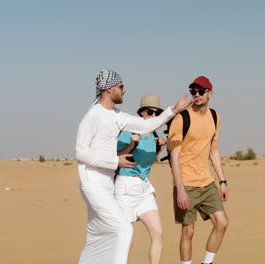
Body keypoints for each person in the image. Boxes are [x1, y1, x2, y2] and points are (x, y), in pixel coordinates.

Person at [75, 69, 193, 264]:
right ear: (109, 89)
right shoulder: (92, 117)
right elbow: (81, 152)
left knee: (97, 238)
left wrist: (174, 110)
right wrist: (116, 162)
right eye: (121, 87)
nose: (124, 91)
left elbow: (147, 126)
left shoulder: (117, 116)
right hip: (93, 183)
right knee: (123, 230)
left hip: (106, 183)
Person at [167, 76, 229, 264]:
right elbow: (174, 157)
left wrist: (222, 181)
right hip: (186, 183)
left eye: (200, 91)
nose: (196, 95)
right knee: (188, 231)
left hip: (206, 182)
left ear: (210, 93)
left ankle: (207, 262)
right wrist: (180, 191)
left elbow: (214, 150)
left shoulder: (214, 117)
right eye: (193, 91)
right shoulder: (181, 118)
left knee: (222, 223)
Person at [115, 95, 167, 264]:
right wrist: (131, 143)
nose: (154, 115)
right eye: (150, 112)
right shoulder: (129, 131)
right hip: (126, 187)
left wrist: (159, 148)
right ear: (142, 113)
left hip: (144, 187)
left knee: (157, 232)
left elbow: (149, 161)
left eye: (157, 113)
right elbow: (115, 157)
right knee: (125, 238)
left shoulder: (155, 135)